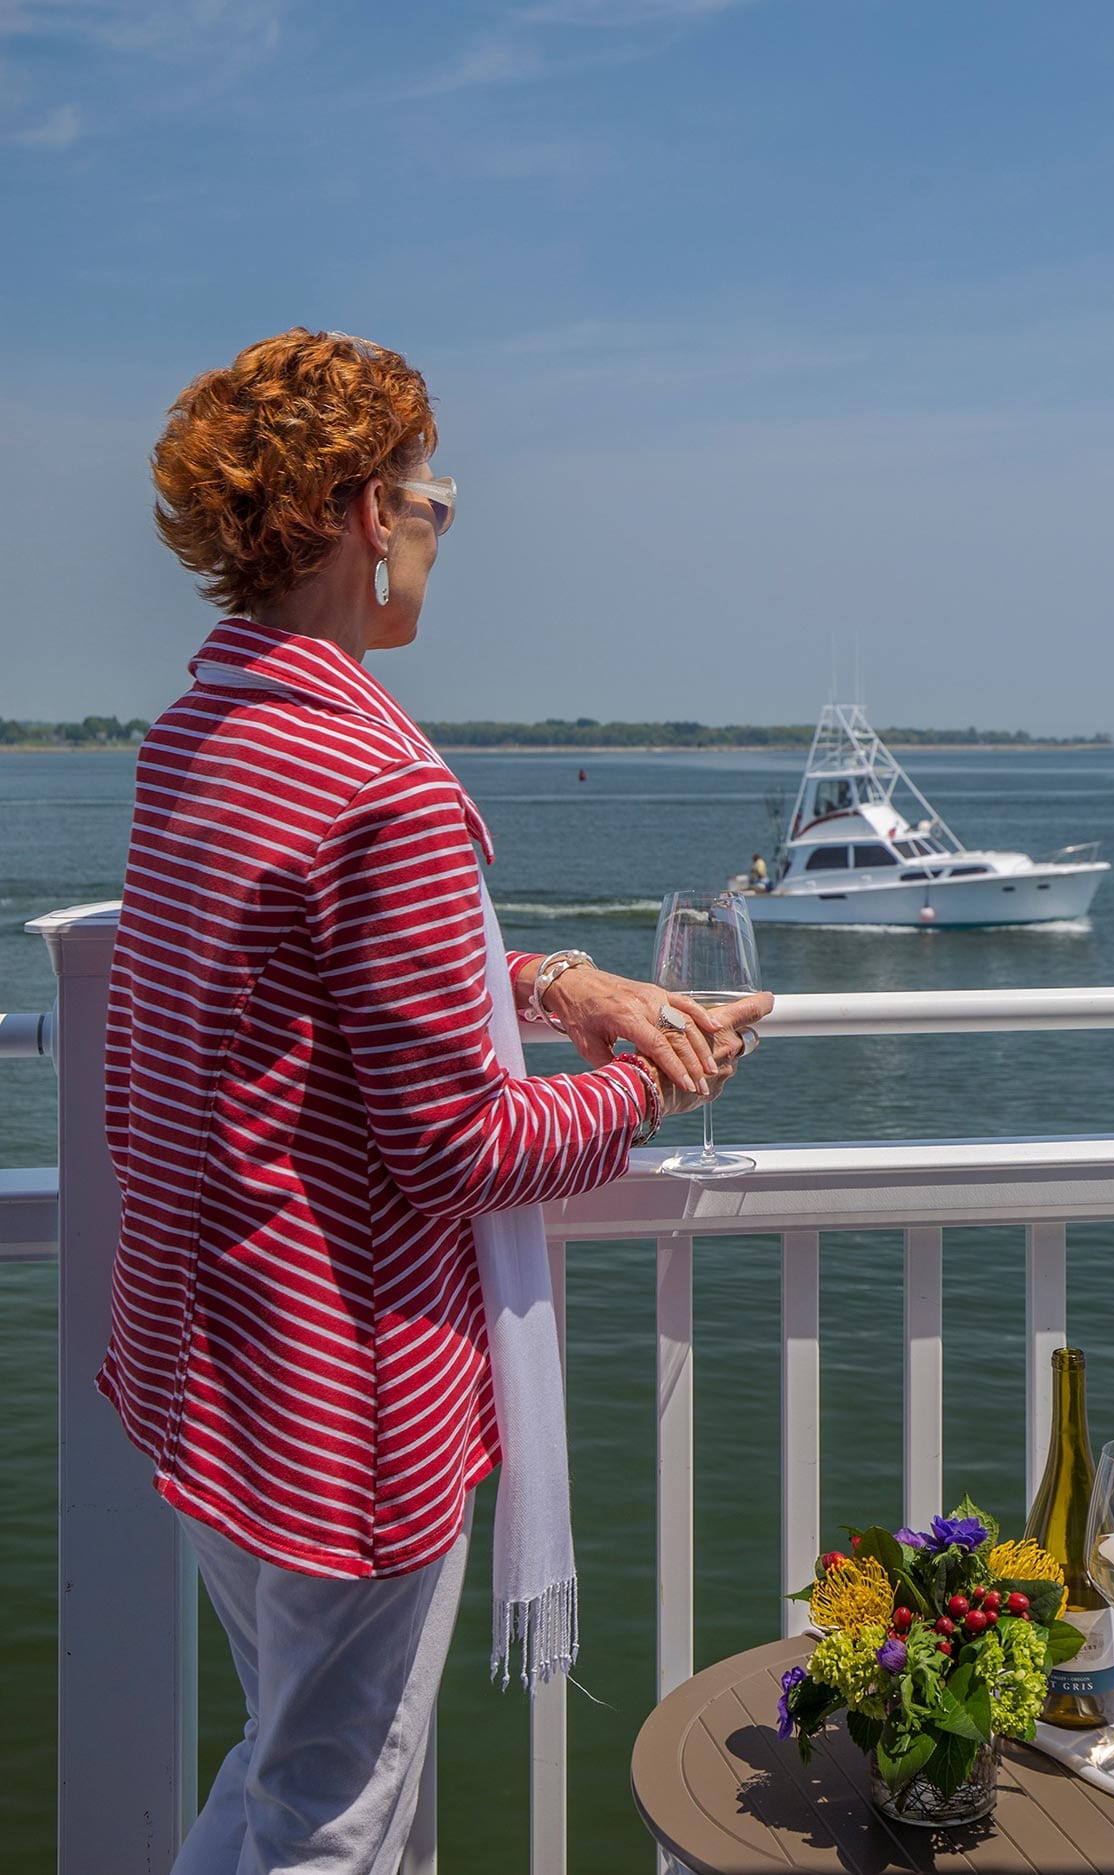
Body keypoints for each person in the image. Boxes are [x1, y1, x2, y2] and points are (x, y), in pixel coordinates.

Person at [99, 327, 771, 1874]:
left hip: (204, 1366)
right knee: (330, 1819)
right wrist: (645, 1081)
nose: (441, 534)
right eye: (437, 501)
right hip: (345, 1401)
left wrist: (559, 983)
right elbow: (458, 1142)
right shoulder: (379, 779)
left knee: (284, 1765)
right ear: (359, 514)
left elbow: (320, 984)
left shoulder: (206, 735)